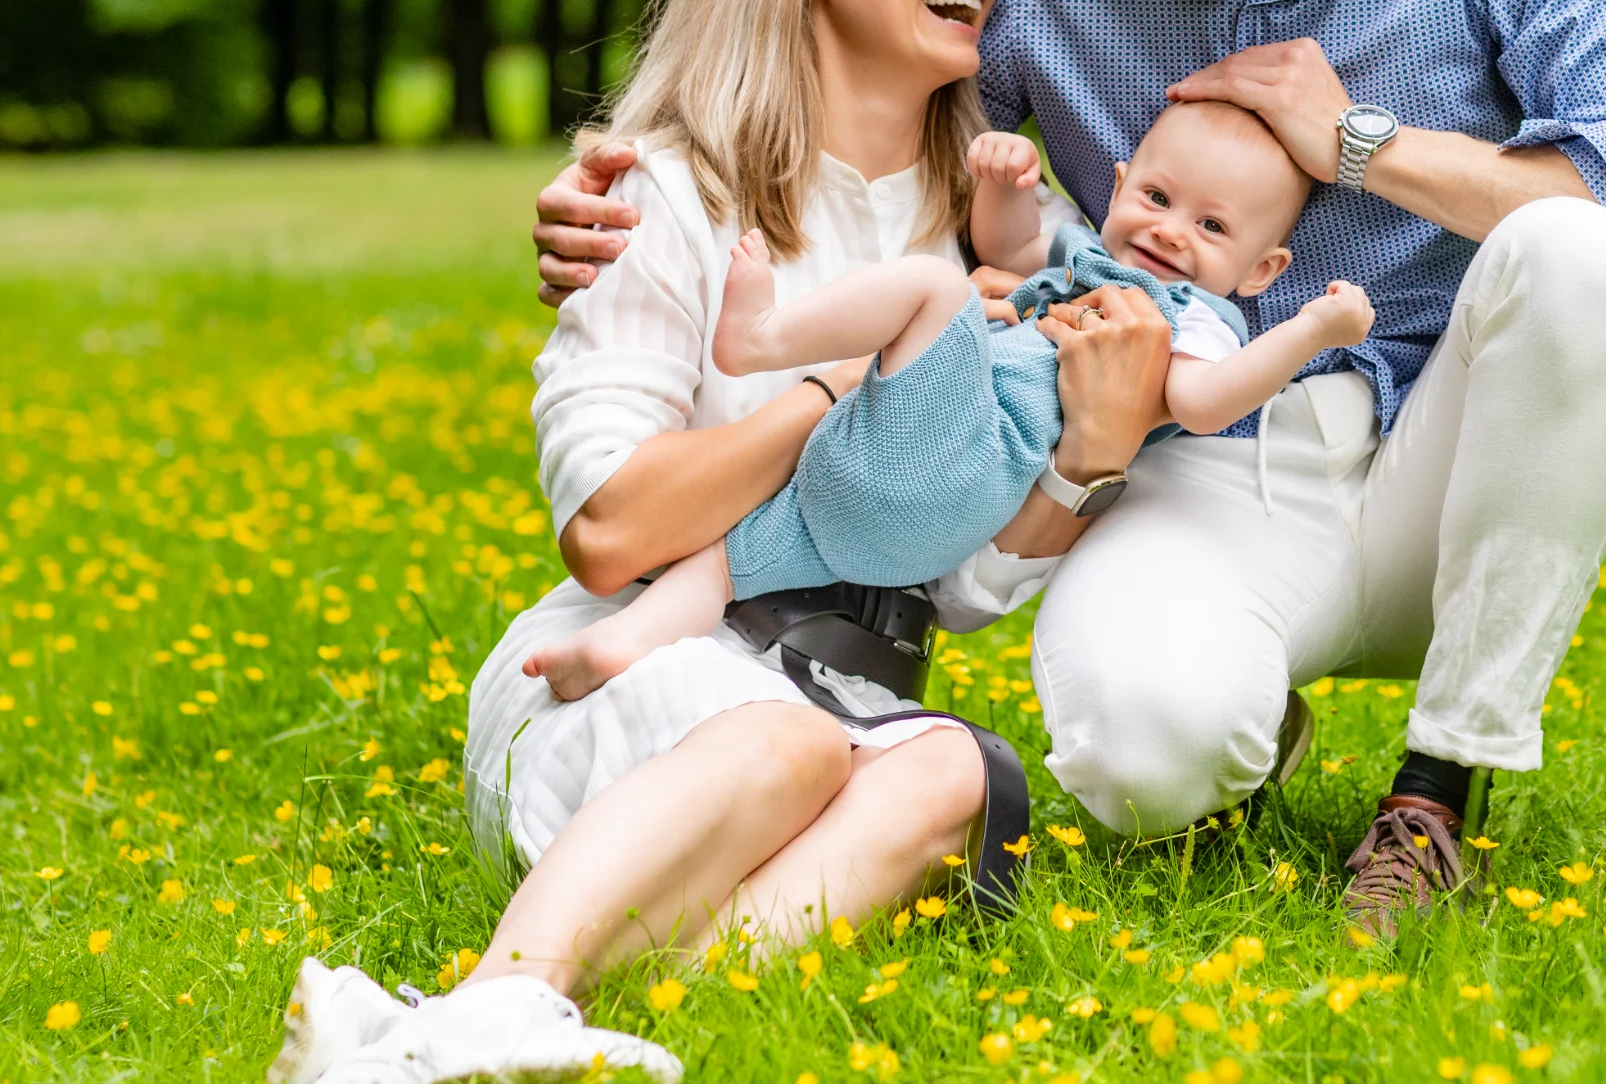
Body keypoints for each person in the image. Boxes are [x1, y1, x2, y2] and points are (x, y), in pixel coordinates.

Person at [535, 0, 1606, 938]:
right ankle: (1240, 722)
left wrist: (1364, 145)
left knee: (1584, 249)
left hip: (1454, 470)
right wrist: (647, 183)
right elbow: (863, 133)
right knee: (1136, 748)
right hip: (1195, 468)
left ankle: (1441, 787)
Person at [273, 0, 1177, 1084]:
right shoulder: (667, 189)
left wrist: (1082, 464)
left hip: (843, 696)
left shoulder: (995, 223)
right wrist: (827, 384)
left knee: (953, 769)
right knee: (788, 739)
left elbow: (957, 586)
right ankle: (514, 981)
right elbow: (616, 525)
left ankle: (474, 1027)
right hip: (625, 678)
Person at [521, 101, 1374, 703]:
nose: (1170, 230)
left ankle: (765, 337)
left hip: (969, 460)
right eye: (1155, 197)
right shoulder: (1081, 253)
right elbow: (1007, 240)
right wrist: (1005, 180)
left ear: (1264, 271)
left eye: (1214, 228)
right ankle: (614, 646)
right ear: (1118, 188)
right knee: (723, 559)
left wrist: (1309, 330)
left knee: (937, 286)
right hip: (881, 513)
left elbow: (1198, 403)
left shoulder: (1195, 319)